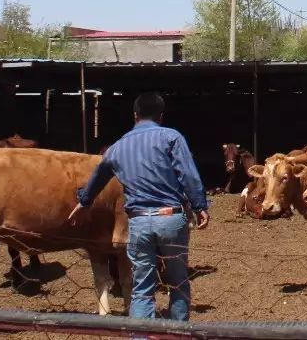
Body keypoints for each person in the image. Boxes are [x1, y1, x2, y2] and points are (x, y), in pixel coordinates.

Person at [68, 92, 209, 321]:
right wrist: (200, 204)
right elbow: (188, 174)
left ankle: (141, 335)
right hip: (171, 218)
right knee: (178, 281)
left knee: (142, 286)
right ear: (161, 116)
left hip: (139, 221)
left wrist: (84, 201)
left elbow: (99, 176)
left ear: (135, 115)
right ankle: (177, 333)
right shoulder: (171, 137)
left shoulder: (118, 146)